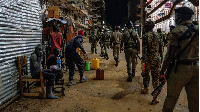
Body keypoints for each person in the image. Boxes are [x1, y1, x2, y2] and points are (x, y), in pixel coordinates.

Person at [159, 7, 199, 112]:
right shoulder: (198, 30)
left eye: (176, 16)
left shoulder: (176, 31)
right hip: (197, 68)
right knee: (195, 101)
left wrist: (162, 71)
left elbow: (169, 55)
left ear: (180, 17)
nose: (175, 18)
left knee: (172, 97)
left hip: (180, 69)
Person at [141, 21, 162, 104]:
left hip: (148, 59)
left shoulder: (146, 36)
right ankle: (156, 97)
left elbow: (144, 50)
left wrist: (143, 61)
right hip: (156, 59)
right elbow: (161, 49)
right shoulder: (158, 35)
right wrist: (161, 58)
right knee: (156, 77)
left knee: (146, 74)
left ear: (148, 27)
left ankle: (146, 89)